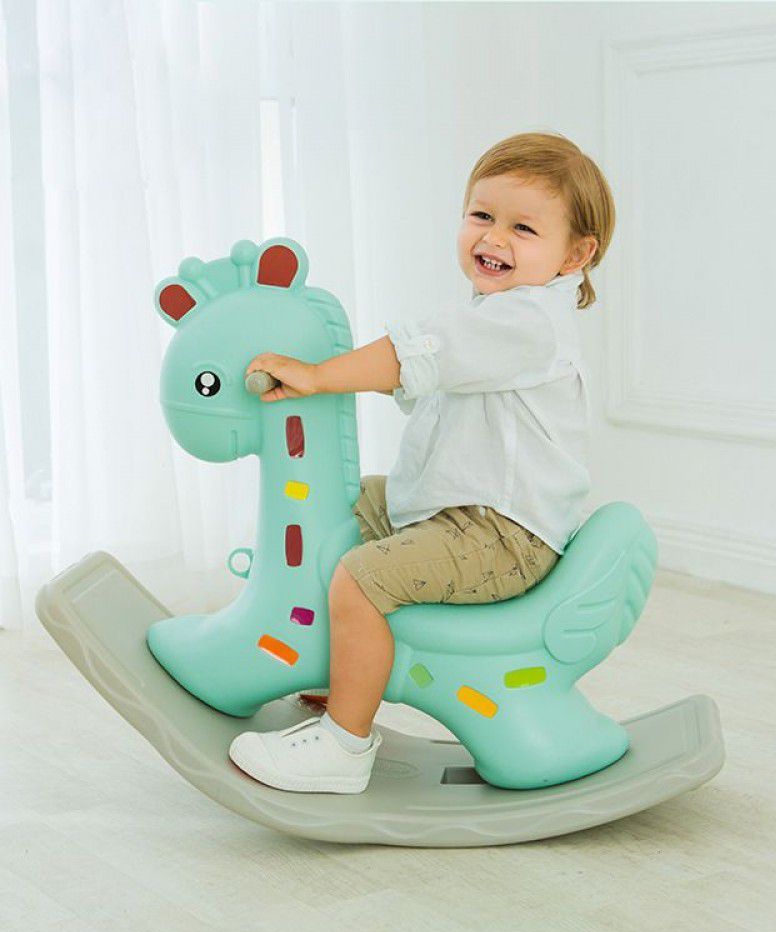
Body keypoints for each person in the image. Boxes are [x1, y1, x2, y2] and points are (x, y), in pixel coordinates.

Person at [228, 131, 615, 793]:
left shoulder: (526, 322)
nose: (494, 237)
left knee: (361, 577)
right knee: (337, 507)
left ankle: (344, 746)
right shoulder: (493, 313)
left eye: (523, 228)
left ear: (576, 254)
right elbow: (421, 371)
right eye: (482, 215)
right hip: (448, 508)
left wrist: (318, 375)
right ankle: (328, 665)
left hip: (502, 535)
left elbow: (412, 357)